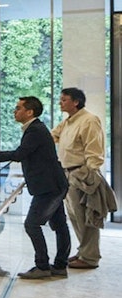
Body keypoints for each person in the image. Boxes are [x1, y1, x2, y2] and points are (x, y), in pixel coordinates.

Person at [0, 96, 70, 279]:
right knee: (59, 224)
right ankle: (59, 266)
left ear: (30, 112)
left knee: (32, 224)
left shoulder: (35, 130)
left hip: (49, 187)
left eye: (18, 108)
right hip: (53, 185)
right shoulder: (35, 129)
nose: (15, 111)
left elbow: (21, 154)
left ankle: (43, 267)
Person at [52, 87, 115, 270]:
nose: (60, 102)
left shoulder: (89, 120)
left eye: (64, 100)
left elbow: (94, 150)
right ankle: (83, 252)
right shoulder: (68, 122)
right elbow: (52, 136)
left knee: (87, 217)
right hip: (68, 174)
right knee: (75, 216)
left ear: (76, 102)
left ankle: (90, 258)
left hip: (81, 174)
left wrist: (88, 174)